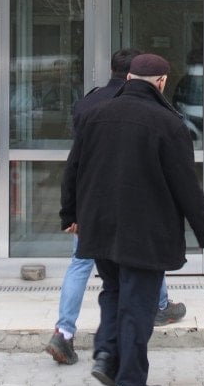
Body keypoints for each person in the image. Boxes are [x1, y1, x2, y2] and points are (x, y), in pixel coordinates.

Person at [60, 52, 204, 386]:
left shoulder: (95, 114)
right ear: (162, 82)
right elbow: (186, 186)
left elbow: (73, 170)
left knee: (113, 293)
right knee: (138, 307)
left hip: (100, 227)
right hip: (145, 233)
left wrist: (70, 214)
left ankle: (106, 355)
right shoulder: (169, 124)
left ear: (128, 78)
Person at [45, 48, 185, 368]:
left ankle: (63, 333)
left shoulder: (88, 102)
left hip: (90, 203)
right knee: (146, 256)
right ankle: (159, 306)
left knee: (80, 263)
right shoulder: (144, 104)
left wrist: (72, 210)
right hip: (130, 202)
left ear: (112, 69)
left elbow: (77, 161)